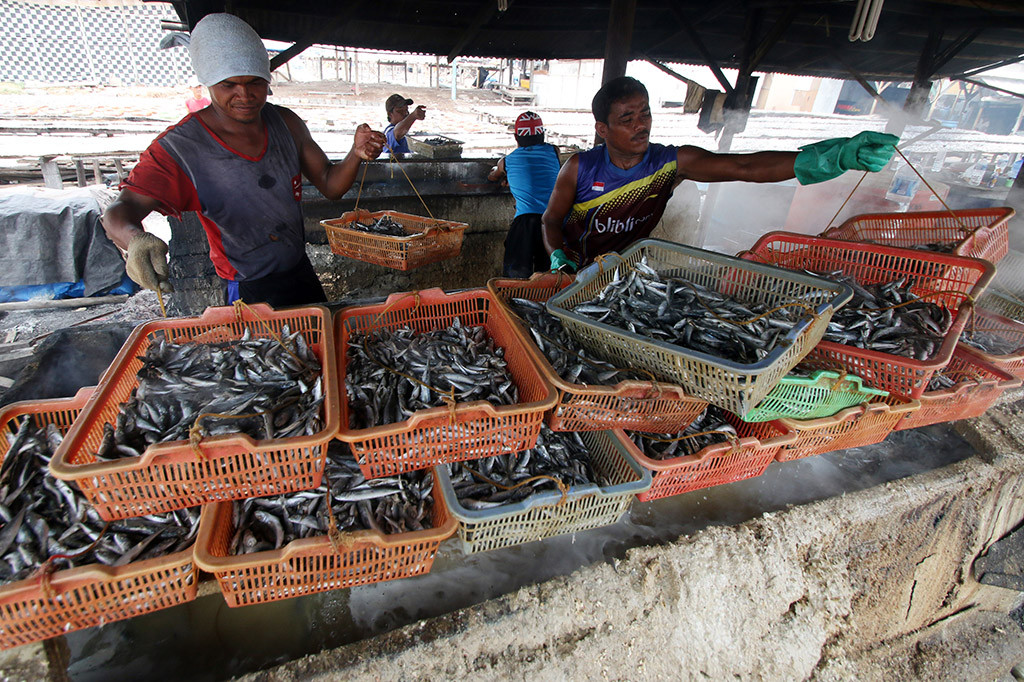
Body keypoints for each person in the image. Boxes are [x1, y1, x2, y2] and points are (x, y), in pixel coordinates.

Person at [103, 13, 385, 308]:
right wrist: (135, 240)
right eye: (229, 85)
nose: (245, 95)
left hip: (300, 271)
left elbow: (330, 184)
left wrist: (356, 154)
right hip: (247, 287)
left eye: (255, 83)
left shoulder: (285, 123)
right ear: (209, 84)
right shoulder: (180, 148)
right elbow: (121, 210)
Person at [542, 76, 899, 271]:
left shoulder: (670, 162)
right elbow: (550, 221)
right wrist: (558, 255)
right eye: (627, 119)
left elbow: (743, 167)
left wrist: (830, 157)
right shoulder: (580, 167)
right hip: (571, 269)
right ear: (603, 129)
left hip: (623, 270)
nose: (641, 125)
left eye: (645, 114)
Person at [487, 111, 562, 278]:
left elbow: (493, 175)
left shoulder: (507, 161)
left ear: (516, 137)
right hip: (552, 221)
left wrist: (504, 174)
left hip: (525, 223)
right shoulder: (554, 151)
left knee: (516, 277)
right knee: (549, 275)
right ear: (542, 134)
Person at [383, 93, 426, 158]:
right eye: (400, 111)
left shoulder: (404, 132)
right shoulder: (388, 132)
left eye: (406, 110)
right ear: (390, 114)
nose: (405, 114)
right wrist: (413, 116)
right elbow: (398, 133)